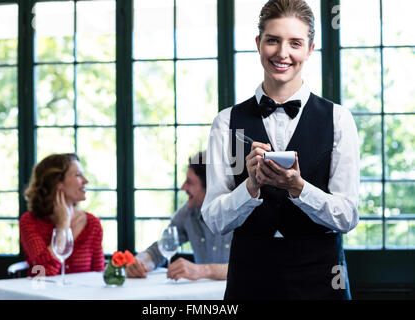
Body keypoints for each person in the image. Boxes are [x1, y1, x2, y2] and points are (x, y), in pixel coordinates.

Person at [202, 0, 360, 300]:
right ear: (258, 43)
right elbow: (213, 219)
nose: (282, 53)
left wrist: (299, 189)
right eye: (272, 40)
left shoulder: (339, 119)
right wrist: (250, 187)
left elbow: (347, 216)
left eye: (295, 43)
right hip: (248, 278)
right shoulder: (226, 123)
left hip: (322, 279)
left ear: (310, 49)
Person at [126, 151, 232, 281]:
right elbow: (161, 249)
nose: (183, 187)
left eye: (190, 182)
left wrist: (203, 270)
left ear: (211, 187)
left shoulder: (242, 211)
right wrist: (139, 263)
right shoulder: (188, 212)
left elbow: (252, 267)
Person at [20, 153, 105, 277]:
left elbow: (98, 275)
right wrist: (63, 225)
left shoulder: (92, 223)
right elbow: (44, 273)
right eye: (78, 175)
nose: (86, 180)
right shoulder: (30, 221)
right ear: (57, 183)